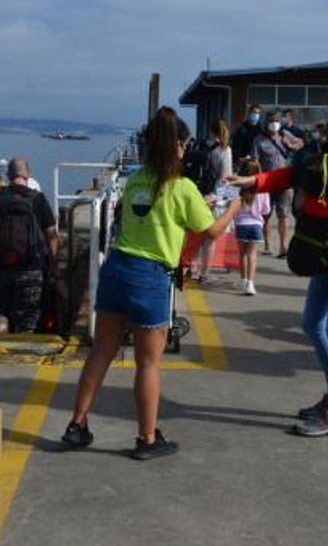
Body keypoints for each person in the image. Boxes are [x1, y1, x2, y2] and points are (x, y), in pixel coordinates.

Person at [63, 107, 243, 460]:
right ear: (177, 145)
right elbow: (211, 231)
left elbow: (154, 214)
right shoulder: (182, 187)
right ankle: (147, 438)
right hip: (149, 277)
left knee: (102, 351)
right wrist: (234, 208)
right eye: (184, 143)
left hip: (117, 268)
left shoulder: (135, 181)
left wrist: (198, 205)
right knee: (148, 364)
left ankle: (77, 425)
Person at [229, 78, 328, 437]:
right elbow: (295, 171)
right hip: (323, 246)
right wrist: (254, 182)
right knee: (312, 324)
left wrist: (310, 204)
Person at [0, 157, 59, 334]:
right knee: (28, 320)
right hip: (30, 271)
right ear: (28, 174)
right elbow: (52, 237)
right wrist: (54, 266)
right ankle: (22, 354)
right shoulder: (37, 199)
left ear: (8, 175)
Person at [190, 119, 234, 284]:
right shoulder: (225, 150)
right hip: (214, 197)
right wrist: (225, 200)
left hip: (197, 195)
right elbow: (225, 178)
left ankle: (193, 268)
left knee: (200, 235)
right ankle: (205, 273)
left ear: (210, 130)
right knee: (210, 238)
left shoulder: (200, 146)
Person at [254, 110, 293, 258]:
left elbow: (299, 144)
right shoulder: (259, 140)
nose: (274, 123)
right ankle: (267, 245)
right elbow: (255, 161)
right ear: (266, 122)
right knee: (265, 215)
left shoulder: (284, 136)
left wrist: (291, 143)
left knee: (284, 215)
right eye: (272, 120)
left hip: (284, 182)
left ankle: (283, 247)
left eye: (277, 120)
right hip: (267, 183)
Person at [234, 160, 269, 295]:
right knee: (252, 255)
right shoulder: (263, 187)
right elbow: (266, 210)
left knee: (242, 254)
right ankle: (250, 283)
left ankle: (243, 280)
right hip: (256, 225)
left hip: (241, 224)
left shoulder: (239, 188)